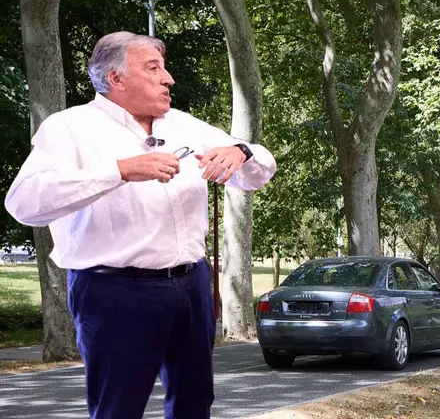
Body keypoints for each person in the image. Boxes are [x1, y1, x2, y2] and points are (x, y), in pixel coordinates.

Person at [4, 31, 276, 419]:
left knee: (195, 402)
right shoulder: (69, 129)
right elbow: (24, 203)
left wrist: (241, 151)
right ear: (116, 79)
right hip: (113, 290)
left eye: (163, 67)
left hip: (191, 285)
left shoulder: (184, 125)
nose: (169, 78)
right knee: (118, 408)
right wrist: (119, 171)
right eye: (154, 68)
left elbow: (258, 171)